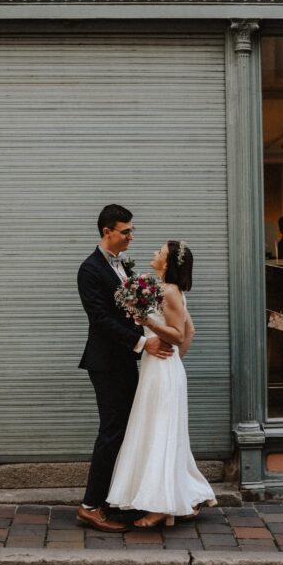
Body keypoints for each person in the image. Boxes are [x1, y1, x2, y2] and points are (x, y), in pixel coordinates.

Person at [76, 204, 174, 533]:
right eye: (125, 231)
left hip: (125, 361)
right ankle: (90, 506)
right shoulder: (90, 270)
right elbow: (101, 320)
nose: (131, 236)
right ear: (107, 232)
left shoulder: (122, 267)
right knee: (112, 430)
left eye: (132, 230)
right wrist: (143, 343)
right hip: (105, 363)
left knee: (128, 430)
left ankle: (114, 498)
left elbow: (134, 310)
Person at [106, 240, 217, 528]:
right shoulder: (167, 289)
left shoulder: (168, 291)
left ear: (167, 264)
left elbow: (179, 334)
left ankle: (160, 507)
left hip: (161, 370)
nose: (154, 254)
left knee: (158, 433)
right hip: (162, 368)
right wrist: (175, 360)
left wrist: (148, 322)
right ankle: (179, 500)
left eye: (160, 252)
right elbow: (190, 330)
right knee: (164, 433)